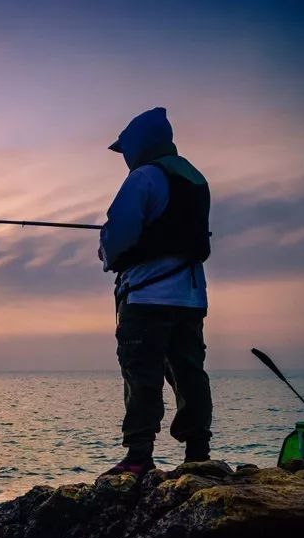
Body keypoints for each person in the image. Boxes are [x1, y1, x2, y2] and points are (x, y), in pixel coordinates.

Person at [98, 107, 213, 476]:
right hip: (191, 297)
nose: (125, 158)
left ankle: (139, 456)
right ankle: (198, 454)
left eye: (126, 149)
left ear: (140, 145)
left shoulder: (144, 177)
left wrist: (105, 250)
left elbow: (119, 235)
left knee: (141, 373)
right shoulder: (196, 179)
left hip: (146, 297)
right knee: (189, 372)